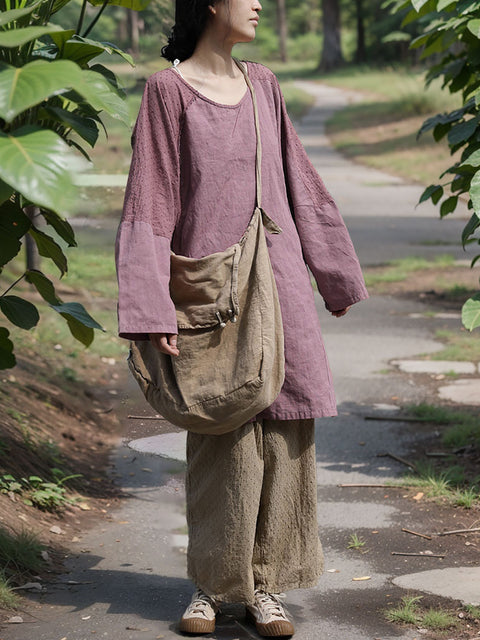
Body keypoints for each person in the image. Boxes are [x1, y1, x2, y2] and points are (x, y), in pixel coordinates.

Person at [115, 0, 368, 636]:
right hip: (210, 292)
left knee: (284, 432)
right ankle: (210, 585)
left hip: (279, 285)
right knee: (221, 429)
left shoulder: (266, 86)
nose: (258, 3)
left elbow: (299, 181)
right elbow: (151, 196)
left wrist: (332, 272)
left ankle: (265, 585)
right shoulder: (167, 92)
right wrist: (152, 306)